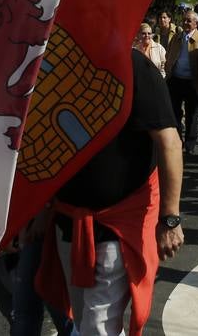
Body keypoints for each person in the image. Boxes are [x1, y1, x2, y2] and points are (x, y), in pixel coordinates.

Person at [37, 48, 184, 336]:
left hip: (118, 223)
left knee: (96, 327)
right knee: (83, 320)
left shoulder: (134, 66)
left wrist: (170, 219)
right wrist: (40, 211)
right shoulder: (50, 60)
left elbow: (170, 142)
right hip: (67, 219)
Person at [163, 11, 198, 153]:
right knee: (175, 113)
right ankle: (177, 141)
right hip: (175, 80)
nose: (185, 23)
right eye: (184, 20)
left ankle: (190, 145)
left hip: (192, 82)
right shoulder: (176, 37)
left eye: (189, 21)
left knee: (192, 114)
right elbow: (169, 56)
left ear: (196, 23)